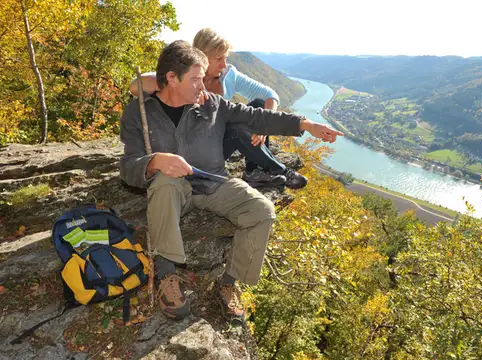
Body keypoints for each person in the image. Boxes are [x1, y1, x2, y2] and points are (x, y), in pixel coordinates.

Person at [120, 41, 343, 320]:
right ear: (172, 79)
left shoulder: (212, 105)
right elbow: (128, 168)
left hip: (214, 182)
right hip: (175, 189)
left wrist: (306, 125)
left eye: (204, 80)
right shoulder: (139, 112)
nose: (204, 88)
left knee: (262, 210)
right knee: (164, 183)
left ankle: (229, 284)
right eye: (196, 81)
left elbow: (259, 116)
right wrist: (154, 162)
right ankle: (167, 276)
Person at [129, 28, 308, 189]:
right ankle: (280, 171)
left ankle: (255, 169)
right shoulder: (182, 74)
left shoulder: (229, 76)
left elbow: (270, 94)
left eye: (225, 58)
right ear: (201, 56)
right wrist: (178, 87)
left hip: (221, 138)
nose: (223, 64)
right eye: (219, 58)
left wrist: (263, 127)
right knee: (238, 130)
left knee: (260, 105)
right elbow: (135, 86)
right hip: (200, 148)